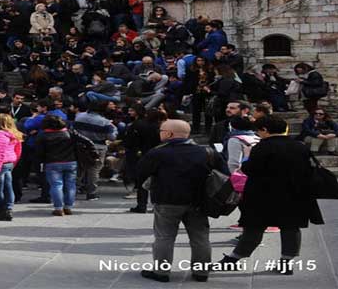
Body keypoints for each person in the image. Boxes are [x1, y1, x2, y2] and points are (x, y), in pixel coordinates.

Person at [216, 116, 325, 275]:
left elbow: (250, 169)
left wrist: (247, 156)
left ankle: (233, 259)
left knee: (254, 227)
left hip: (263, 194)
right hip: (295, 194)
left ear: (265, 130)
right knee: (290, 227)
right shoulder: (299, 146)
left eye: (258, 130)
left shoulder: (263, 147)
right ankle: (286, 262)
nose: (258, 134)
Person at [137, 119, 221, 283]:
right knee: (200, 237)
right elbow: (223, 173)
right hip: (199, 201)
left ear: (169, 134)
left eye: (161, 131)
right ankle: (201, 273)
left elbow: (140, 173)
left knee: (164, 237)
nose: (160, 133)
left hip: (166, 200)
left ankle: (161, 272)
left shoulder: (157, 153)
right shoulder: (207, 152)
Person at [32, 116, 77, 216]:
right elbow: (85, 141)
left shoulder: (43, 135)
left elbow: (39, 152)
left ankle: (58, 208)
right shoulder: (69, 133)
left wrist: (39, 163)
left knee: (56, 185)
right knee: (71, 185)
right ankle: (68, 207)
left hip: (52, 162)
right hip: (70, 161)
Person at [74, 101, 118, 201]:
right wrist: (114, 129)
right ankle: (91, 193)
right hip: (98, 146)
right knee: (94, 170)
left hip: (80, 146)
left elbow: (74, 130)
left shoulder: (79, 116)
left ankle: (72, 190)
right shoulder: (105, 122)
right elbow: (111, 137)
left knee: (79, 169)